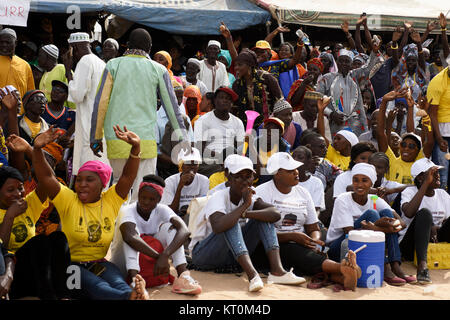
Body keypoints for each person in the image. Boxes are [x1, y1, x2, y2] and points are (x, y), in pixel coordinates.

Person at [31, 125, 149, 300]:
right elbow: (47, 177)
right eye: (79, 180)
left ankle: (133, 295)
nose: (82, 184)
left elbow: (127, 177)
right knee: (98, 287)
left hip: (99, 263)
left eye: (89, 180)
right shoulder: (68, 199)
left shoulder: (111, 200)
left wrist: (136, 148)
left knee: (118, 283)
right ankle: (130, 297)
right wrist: (37, 149)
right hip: (70, 269)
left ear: (102, 184)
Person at [90, 28, 189, 202]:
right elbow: (171, 107)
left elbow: (100, 104)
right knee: (143, 190)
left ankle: (117, 227)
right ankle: (136, 228)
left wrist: (96, 137)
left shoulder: (113, 65)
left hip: (117, 138)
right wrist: (182, 137)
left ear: (127, 45)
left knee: (118, 188)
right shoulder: (158, 69)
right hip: (145, 141)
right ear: (149, 48)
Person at [190, 154, 305, 292]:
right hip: (203, 255)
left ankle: (277, 272)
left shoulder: (251, 197)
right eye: (239, 176)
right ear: (228, 175)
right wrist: (244, 206)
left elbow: (275, 214)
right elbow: (218, 226)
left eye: (248, 176)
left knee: (263, 218)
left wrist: (246, 211)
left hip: (230, 256)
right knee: (230, 222)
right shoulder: (218, 196)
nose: (245, 182)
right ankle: (253, 275)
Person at [252, 152, 361, 291]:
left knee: (316, 244)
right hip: (271, 247)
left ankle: (341, 277)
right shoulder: (262, 191)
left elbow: (313, 227)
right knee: (294, 250)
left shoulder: (303, 193)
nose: (296, 172)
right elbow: (257, 233)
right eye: (290, 170)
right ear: (277, 174)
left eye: (295, 169)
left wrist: (314, 241)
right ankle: (341, 267)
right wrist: (292, 237)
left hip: (301, 241)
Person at [109, 174, 202, 295]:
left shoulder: (162, 209)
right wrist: (160, 257)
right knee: (133, 234)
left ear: (158, 200)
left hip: (150, 264)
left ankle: (183, 277)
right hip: (124, 265)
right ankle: (134, 281)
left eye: (151, 199)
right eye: (143, 197)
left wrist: (166, 254)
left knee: (172, 229)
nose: (146, 202)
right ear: (138, 196)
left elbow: (184, 230)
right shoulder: (128, 210)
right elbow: (129, 237)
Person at [326, 163, 414, 285]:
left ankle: (395, 265)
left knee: (386, 212)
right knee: (372, 214)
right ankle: (386, 267)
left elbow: (402, 223)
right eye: (355, 180)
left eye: (364, 181)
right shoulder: (343, 199)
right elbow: (349, 233)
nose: (359, 185)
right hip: (340, 247)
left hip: (362, 246)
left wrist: (376, 227)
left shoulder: (375, 199)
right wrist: (378, 227)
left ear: (372, 183)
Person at [0, 165, 72, 300]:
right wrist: (10, 216)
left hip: (36, 272)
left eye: (20, 188)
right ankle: (47, 296)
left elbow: (47, 179)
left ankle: (64, 295)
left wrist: (32, 149)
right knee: (39, 242)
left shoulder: (27, 204)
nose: (18, 193)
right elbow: (0, 248)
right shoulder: (14, 209)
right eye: (10, 190)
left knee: (59, 237)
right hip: (10, 276)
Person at [62, 32, 110, 179]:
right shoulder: (101, 62)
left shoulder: (84, 62)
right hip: (99, 128)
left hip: (89, 128)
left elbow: (77, 94)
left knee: (90, 173)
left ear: (73, 48)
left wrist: (68, 71)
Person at [400, 158, 450, 284]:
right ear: (420, 178)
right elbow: (409, 213)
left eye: (438, 172)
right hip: (410, 244)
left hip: (434, 240)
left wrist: (434, 228)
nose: (438, 175)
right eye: (433, 173)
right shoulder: (409, 191)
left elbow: (446, 223)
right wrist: (425, 185)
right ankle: (422, 267)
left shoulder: (442, 194)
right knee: (424, 213)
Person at [317, 44, 383, 136]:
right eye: (341, 61)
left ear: (351, 64)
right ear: (336, 62)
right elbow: (318, 98)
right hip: (334, 124)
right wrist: (331, 114)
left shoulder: (355, 76)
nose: (344, 63)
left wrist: (374, 52)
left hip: (356, 125)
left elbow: (369, 68)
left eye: (347, 61)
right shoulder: (327, 78)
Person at [376, 89, 434, 184]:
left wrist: (425, 114)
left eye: (411, 146)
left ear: (418, 151)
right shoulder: (392, 161)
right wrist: (384, 101)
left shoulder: (420, 162)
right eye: (403, 144)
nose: (406, 148)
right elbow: (380, 134)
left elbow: (430, 142)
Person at [193, 86, 244, 164]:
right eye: (221, 97)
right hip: (209, 162)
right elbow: (199, 148)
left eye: (228, 99)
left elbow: (240, 148)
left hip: (231, 161)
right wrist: (220, 156)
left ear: (232, 103)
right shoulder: (203, 120)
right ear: (215, 101)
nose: (225, 101)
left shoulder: (238, 122)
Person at [232, 49, 282, 126]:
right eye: (235, 65)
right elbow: (235, 108)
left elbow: (280, 102)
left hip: (269, 125)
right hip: (247, 127)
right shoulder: (237, 84)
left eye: (240, 65)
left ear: (250, 65)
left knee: (271, 138)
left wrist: (276, 124)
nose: (236, 68)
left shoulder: (266, 78)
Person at [160, 148, 209, 218]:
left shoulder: (204, 180)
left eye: (195, 163)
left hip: (195, 217)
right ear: (181, 165)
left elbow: (203, 208)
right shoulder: (169, 181)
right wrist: (180, 186)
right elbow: (170, 211)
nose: (192, 167)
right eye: (188, 163)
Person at [428, 60, 450, 191]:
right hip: (443, 135)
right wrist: (439, 138)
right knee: (442, 177)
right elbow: (432, 113)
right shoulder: (437, 82)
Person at [0, 28, 35, 108]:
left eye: (7, 42)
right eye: (1, 42)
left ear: (15, 43)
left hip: (18, 114)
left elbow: (30, 92)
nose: (4, 45)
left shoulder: (25, 65)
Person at [37, 45, 73, 109]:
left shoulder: (62, 69)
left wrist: (73, 111)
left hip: (61, 114)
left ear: (48, 57)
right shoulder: (45, 73)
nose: (38, 59)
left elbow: (71, 91)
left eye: (40, 56)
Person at [292, 146, 325, 214]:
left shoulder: (316, 182)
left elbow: (316, 209)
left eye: (300, 157)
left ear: (308, 162)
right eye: (293, 157)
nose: (295, 160)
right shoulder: (285, 181)